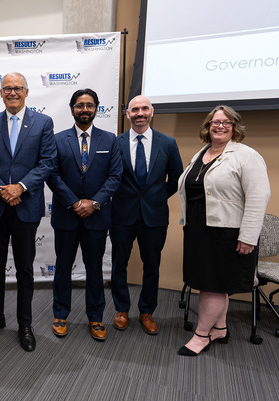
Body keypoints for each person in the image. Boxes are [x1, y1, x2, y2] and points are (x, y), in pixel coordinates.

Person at [177, 105, 270, 356]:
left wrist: (248, 236)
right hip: (199, 229)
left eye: (227, 122)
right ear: (207, 126)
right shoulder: (201, 154)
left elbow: (258, 197)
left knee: (212, 285)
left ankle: (200, 336)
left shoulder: (246, 155)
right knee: (214, 282)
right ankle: (219, 328)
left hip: (227, 233)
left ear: (235, 127)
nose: (220, 126)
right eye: (215, 122)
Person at [0, 72, 57, 352]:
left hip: (26, 205)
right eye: (7, 88)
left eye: (17, 88)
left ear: (26, 91)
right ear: (0, 93)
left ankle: (25, 323)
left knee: (24, 268)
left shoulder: (43, 123)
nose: (12, 92)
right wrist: (2, 190)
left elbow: (47, 162)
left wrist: (20, 187)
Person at [46, 89, 122, 341]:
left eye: (89, 105)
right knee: (63, 268)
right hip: (67, 216)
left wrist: (95, 203)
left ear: (97, 109)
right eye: (80, 105)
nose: (85, 109)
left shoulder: (110, 140)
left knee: (95, 269)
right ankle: (60, 314)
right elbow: (52, 175)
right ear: (72, 109)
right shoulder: (57, 140)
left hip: (97, 218)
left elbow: (114, 177)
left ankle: (96, 317)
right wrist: (74, 202)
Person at [110, 95, 183, 335]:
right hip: (122, 215)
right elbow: (109, 177)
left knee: (152, 266)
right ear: (127, 114)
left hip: (154, 216)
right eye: (134, 109)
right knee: (119, 264)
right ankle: (121, 309)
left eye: (144, 109)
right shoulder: (115, 143)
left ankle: (147, 311)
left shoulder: (168, 143)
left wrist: (158, 197)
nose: (139, 113)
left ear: (152, 112)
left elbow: (176, 178)